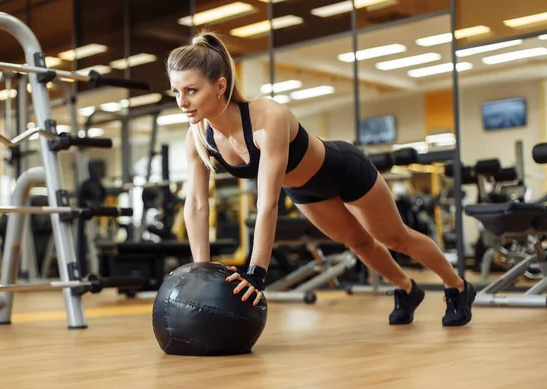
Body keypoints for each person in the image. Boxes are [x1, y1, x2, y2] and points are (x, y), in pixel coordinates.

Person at [166, 31, 476, 327]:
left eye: (191, 90)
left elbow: (268, 203)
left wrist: (257, 274)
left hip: (344, 170)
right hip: (305, 189)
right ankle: (407, 289)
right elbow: (195, 204)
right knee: (357, 242)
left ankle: (457, 286)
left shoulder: (266, 118)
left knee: (395, 237)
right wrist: (201, 271)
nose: (182, 101)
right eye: (176, 91)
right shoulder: (197, 138)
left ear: (220, 86)